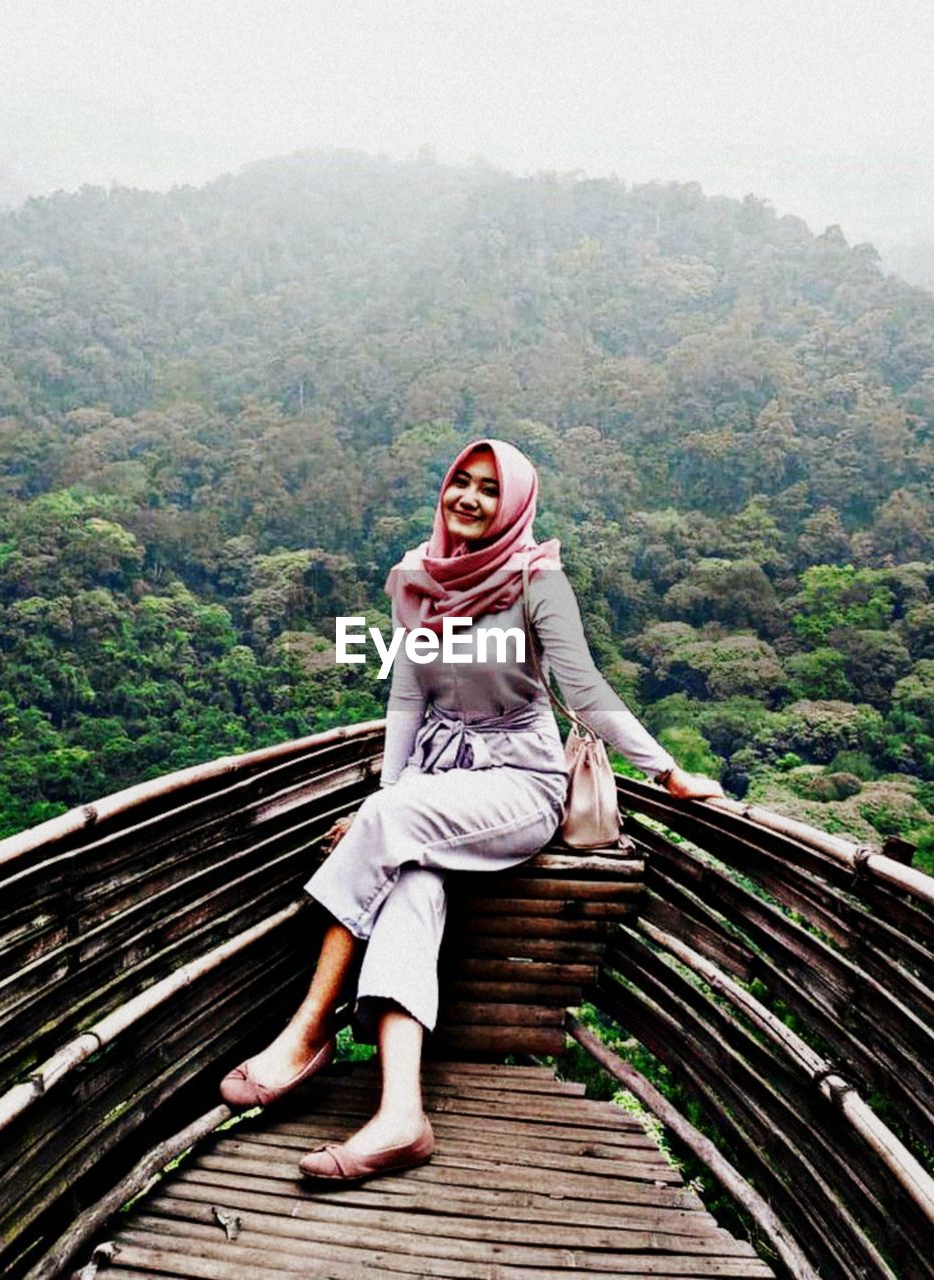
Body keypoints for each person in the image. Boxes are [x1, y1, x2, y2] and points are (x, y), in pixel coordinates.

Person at [220, 438, 725, 1181]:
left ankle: (306, 1030)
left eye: (491, 489)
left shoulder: (538, 582)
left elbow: (583, 691)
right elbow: (406, 694)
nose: (471, 498)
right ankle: (400, 1115)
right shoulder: (417, 573)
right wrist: (390, 791)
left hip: (518, 784)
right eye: (462, 481)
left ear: (515, 503)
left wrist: (669, 771)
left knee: (390, 827)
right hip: (434, 780)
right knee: (411, 884)